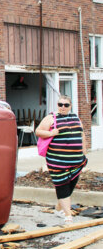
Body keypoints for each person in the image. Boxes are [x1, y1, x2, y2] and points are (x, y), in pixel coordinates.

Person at [35, 96, 87, 224]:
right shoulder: (51, 118)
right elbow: (38, 131)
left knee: (70, 186)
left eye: (66, 105)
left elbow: (82, 136)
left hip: (76, 161)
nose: (63, 107)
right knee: (62, 185)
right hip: (57, 161)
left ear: (70, 106)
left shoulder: (76, 118)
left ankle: (59, 208)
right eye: (60, 104)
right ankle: (68, 215)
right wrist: (51, 133)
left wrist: (84, 154)